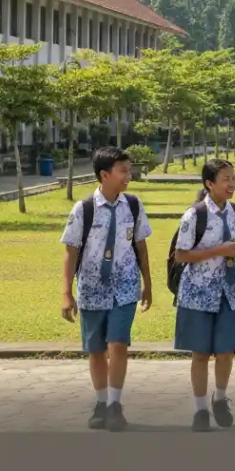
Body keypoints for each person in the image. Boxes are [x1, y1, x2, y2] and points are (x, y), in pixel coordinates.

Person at [60, 147, 153, 432]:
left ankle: (115, 403)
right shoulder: (84, 209)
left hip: (125, 287)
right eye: (123, 171)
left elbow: (141, 246)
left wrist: (148, 284)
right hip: (92, 288)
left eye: (129, 170)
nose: (129, 176)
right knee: (97, 349)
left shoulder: (133, 206)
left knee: (118, 343)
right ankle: (101, 403)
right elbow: (71, 252)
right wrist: (66, 292)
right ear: (105, 174)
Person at [173, 159, 235, 432]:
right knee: (200, 354)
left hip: (227, 293)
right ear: (209, 184)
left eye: (234, 177)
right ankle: (200, 410)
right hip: (197, 293)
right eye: (225, 179)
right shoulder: (194, 216)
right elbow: (181, 254)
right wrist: (217, 250)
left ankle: (219, 397)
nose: (232, 184)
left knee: (226, 351)